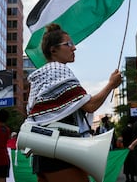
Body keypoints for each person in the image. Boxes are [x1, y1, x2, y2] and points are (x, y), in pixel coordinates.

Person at [24, 23, 122, 182]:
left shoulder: (42, 76)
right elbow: (90, 105)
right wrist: (111, 84)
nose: (74, 48)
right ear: (53, 50)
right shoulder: (59, 70)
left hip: (43, 150)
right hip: (60, 149)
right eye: (68, 44)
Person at [122, 116, 137, 182]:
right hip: (132, 148)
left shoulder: (124, 129)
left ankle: (127, 178)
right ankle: (132, 178)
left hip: (125, 149)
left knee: (126, 164)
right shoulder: (132, 130)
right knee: (131, 164)